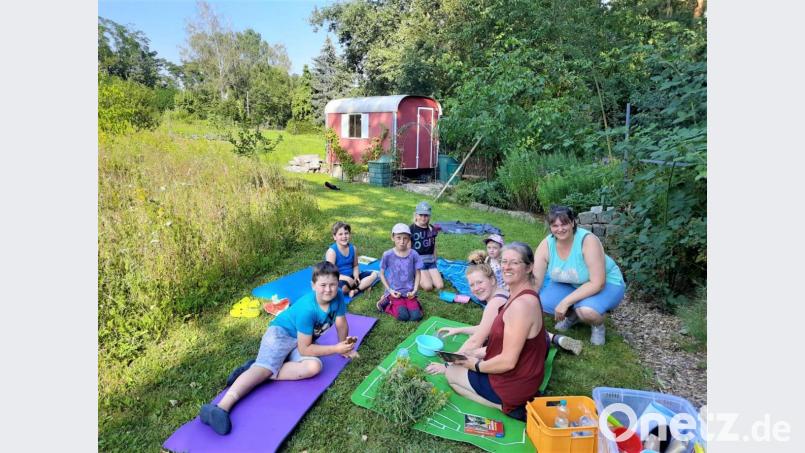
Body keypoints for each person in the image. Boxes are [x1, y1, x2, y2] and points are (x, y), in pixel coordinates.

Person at [198, 261, 358, 435]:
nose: (328, 290)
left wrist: (345, 347)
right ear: (313, 286)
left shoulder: (338, 297)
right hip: (280, 336)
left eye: (333, 285)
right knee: (264, 369)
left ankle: (257, 370)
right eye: (323, 285)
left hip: (300, 340)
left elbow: (341, 323)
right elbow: (305, 350)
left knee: (315, 367)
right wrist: (336, 349)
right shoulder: (307, 309)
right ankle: (220, 408)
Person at [425, 242, 547, 421]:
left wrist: (475, 364)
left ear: (529, 267)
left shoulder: (520, 305)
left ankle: (505, 406)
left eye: (514, 262)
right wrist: (474, 353)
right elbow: (509, 342)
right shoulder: (521, 295)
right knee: (460, 364)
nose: (506, 267)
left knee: (451, 375)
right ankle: (506, 402)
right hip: (528, 378)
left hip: (514, 386)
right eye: (504, 261)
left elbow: (507, 361)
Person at [532, 205, 626, 346]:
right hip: (572, 282)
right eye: (555, 225)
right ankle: (573, 316)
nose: (560, 229)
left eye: (564, 224)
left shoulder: (588, 241)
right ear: (550, 227)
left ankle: (597, 326)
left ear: (573, 222)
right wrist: (522, 303)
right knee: (541, 303)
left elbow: (598, 283)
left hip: (607, 283)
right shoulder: (546, 244)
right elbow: (536, 281)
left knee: (587, 311)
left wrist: (565, 302)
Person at [376, 223, 424, 321]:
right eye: (398, 238)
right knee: (403, 316)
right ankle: (385, 303)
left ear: (409, 239)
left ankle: (412, 304)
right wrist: (390, 290)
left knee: (416, 317)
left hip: (409, 293)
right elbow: (381, 273)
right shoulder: (387, 254)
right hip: (395, 292)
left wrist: (414, 290)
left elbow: (418, 273)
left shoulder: (414, 254)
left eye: (405, 238)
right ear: (392, 237)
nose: (402, 241)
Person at [325, 221, 378, 298]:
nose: (344, 236)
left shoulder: (353, 248)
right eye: (340, 234)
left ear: (349, 234)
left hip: (352, 276)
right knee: (342, 289)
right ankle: (363, 286)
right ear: (334, 237)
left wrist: (356, 275)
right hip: (339, 278)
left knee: (374, 274)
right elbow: (330, 273)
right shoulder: (332, 252)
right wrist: (347, 278)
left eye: (346, 233)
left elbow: (355, 265)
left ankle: (356, 290)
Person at [410, 201, 444, 291]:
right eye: (421, 215)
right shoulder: (411, 229)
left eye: (426, 215)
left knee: (440, 286)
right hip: (418, 262)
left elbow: (434, 244)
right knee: (428, 287)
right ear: (416, 215)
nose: (423, 218)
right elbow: (408, 248)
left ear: (429, 216)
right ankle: (414, 274)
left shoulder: (432, 228)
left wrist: (435, 259)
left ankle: (427, 275)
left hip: (430, 261)